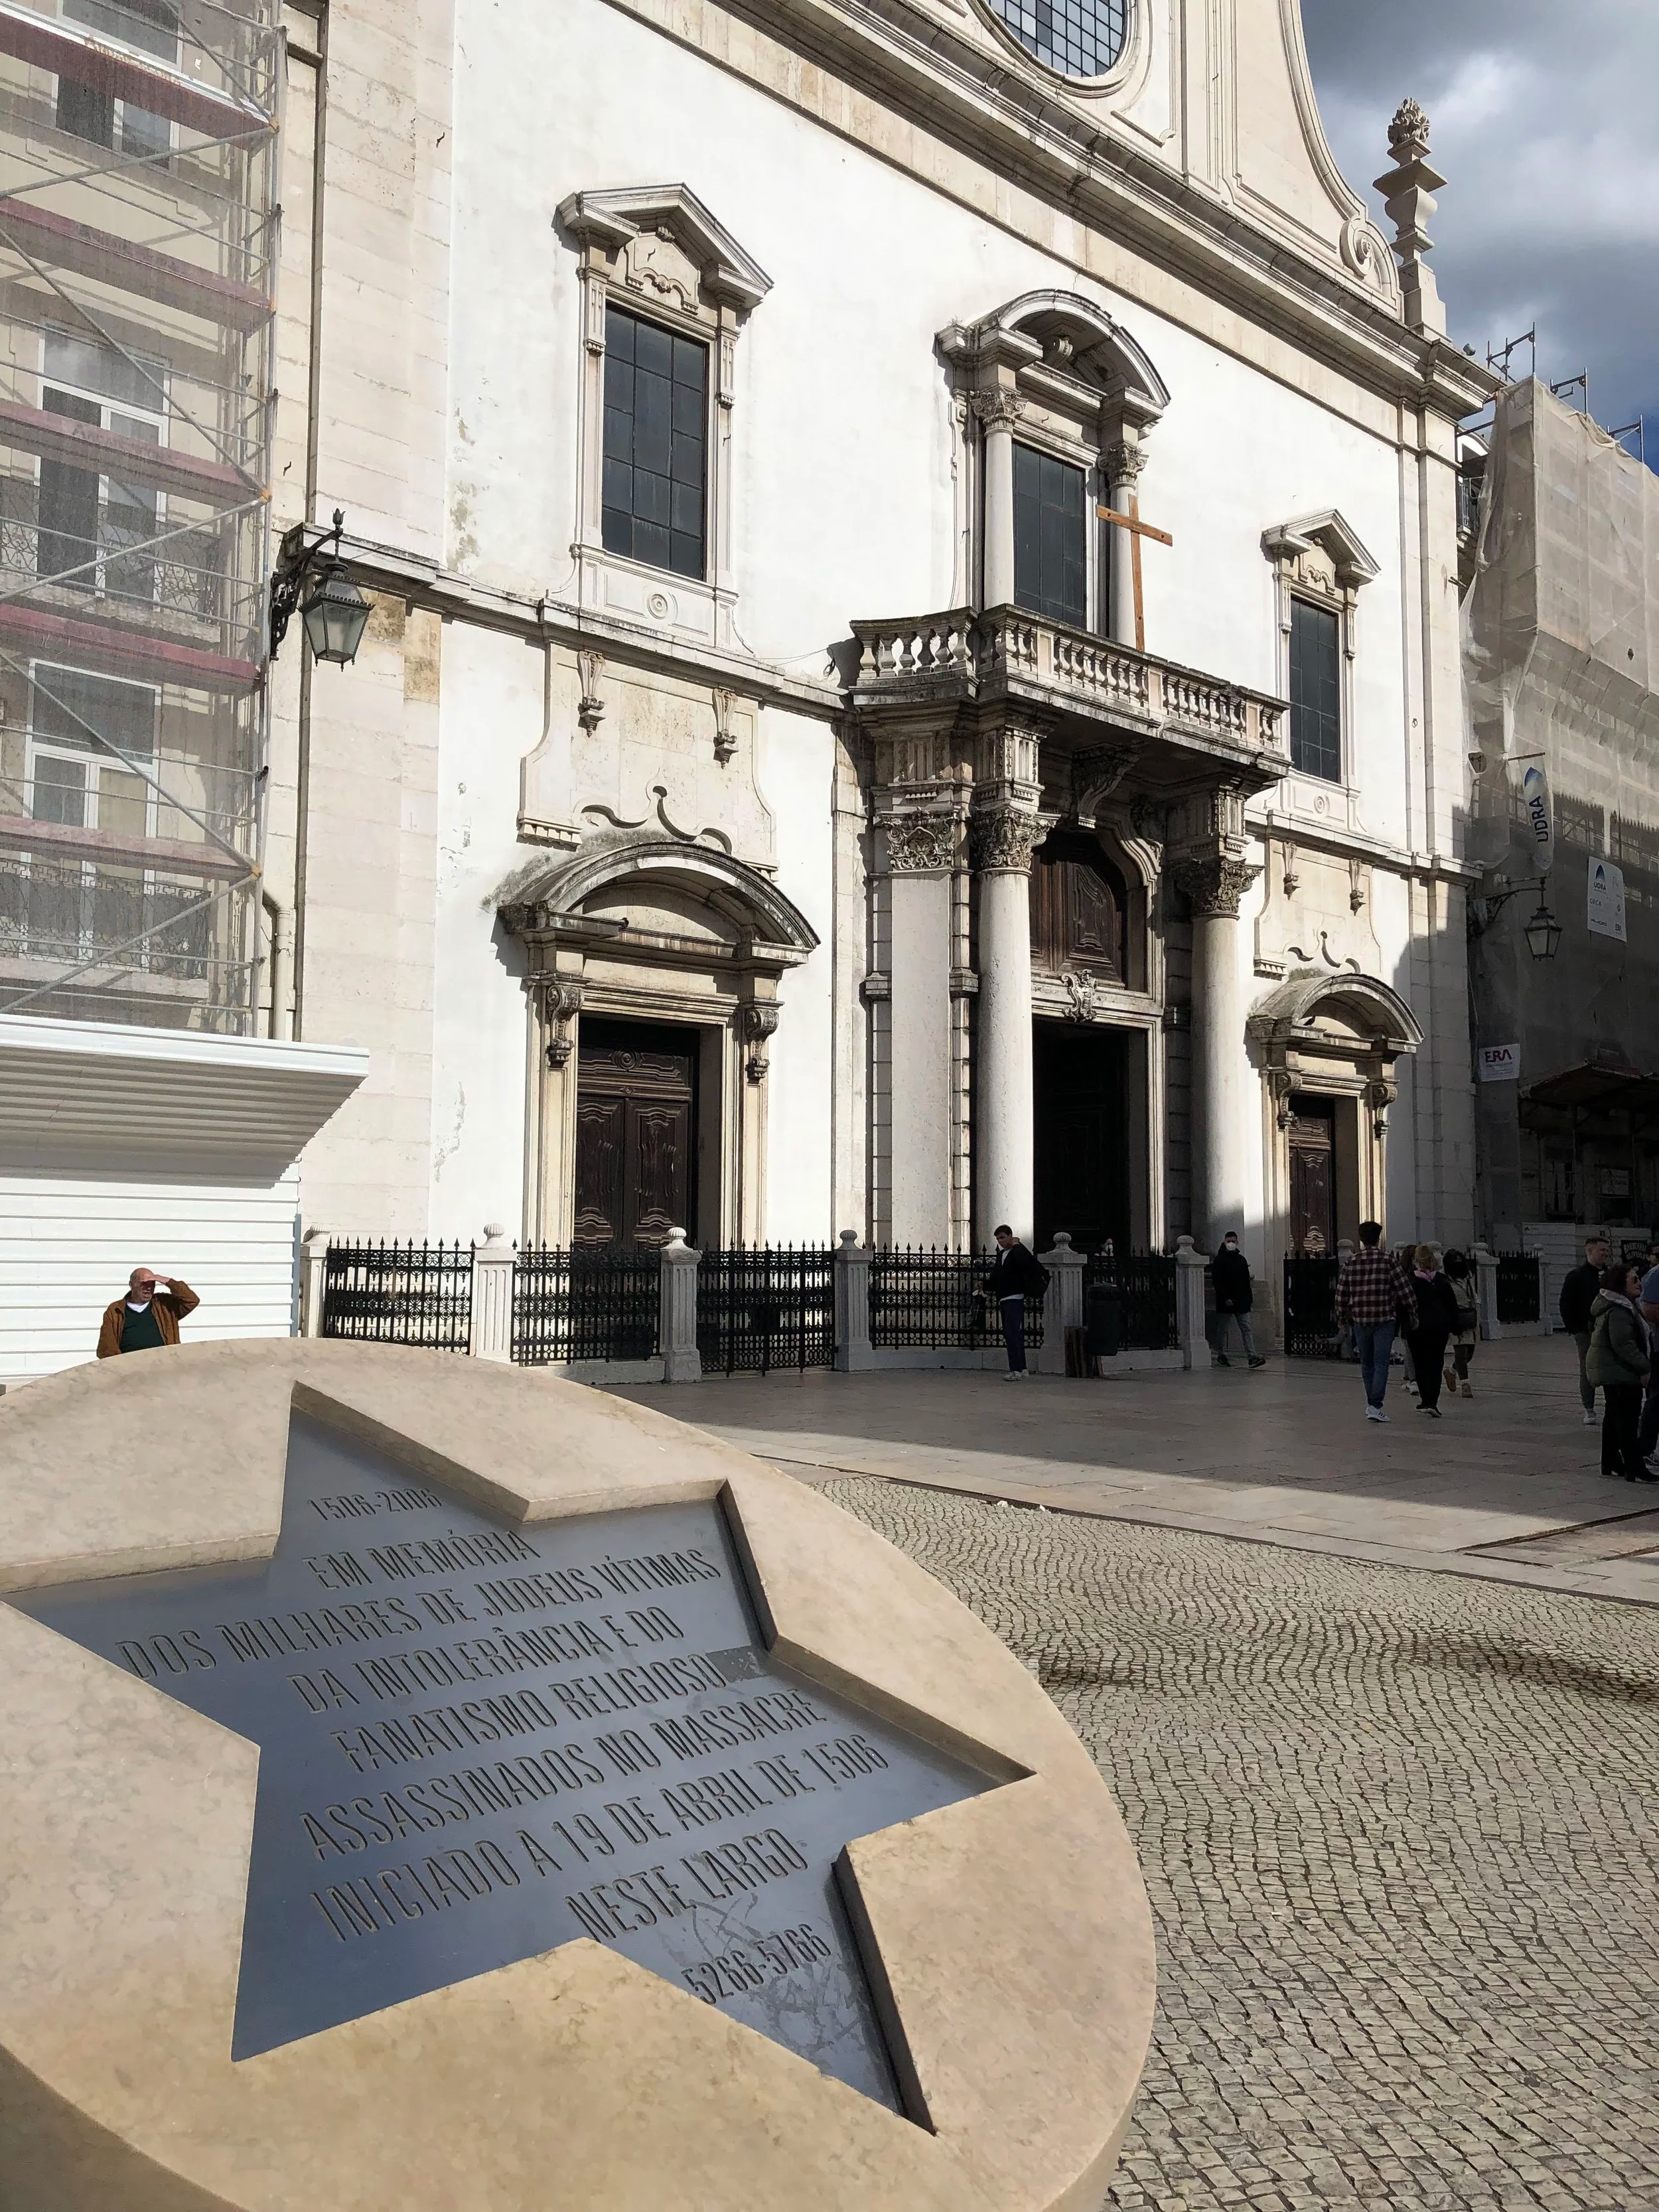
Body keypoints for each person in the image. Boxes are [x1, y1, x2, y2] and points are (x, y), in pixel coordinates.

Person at [1334, 1221, 1419, 1423]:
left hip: (1361, 1320)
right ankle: (1375, 1405)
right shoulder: (1388, 1260)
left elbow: (1341, 1294)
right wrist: (1413, 1311)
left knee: (1367, 1363)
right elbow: (1404, 1289)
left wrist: (1341, 1319)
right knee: (1381, 1363)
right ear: (1378, 1238)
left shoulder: (1351, 1262)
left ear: (1361, 1239)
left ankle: (1372, 1403)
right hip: (1384, 1319)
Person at [1585, 1260, 1654, 1482]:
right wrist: (1644, 1366)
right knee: (1628, 1419)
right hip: (1620, 1371)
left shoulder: (1615, 1304)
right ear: (1620, 1284)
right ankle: (1634, 1467)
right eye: (1634, 1279)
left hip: (1611, 1369)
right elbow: (1623, 1344)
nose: (1639, 1283)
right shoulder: (1619, 1309)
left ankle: (1611, 1461)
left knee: (1615, 1415)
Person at [1559, 1233, 1610, 1426]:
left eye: (1607, 1250)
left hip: (1608, 1329)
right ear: (1590, 1251)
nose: (1605, 1254)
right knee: (1588, 1369)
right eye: (1602, 1250)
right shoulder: (1576, 1277)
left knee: (1611, 1368)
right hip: (1585, 1331)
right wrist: (1576, 1329)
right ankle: (1589, 1408)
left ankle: (1613, 1405)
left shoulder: (1611, 1275)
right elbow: (1566, 1304)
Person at [985, 1226, 1048, 1381]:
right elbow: (996, 1278)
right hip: (1004, 1298)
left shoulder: (1017, 1251)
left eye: (1003, 1237)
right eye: (998, 1239)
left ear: (1010, 1236)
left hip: (1015, 1297)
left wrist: (1017, 1245)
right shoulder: (1001, 1256)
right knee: (1014, 1335)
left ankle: (1016, 1369)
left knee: (1011, 1333)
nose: (1000, 1242)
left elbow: (1025, 1262)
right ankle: (1022, 1367)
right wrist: (984, 1286)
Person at [1404, 1245, 1459, 1417]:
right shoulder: (1441, 1280)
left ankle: (1426, 1399)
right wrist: (1454, 1326)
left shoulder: (1411, 1280)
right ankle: (1433, 1402)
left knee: (1420, 1363)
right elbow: (1452, 1305)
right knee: (1436, 1363)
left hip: (1417, 1328)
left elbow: (1404, 1304)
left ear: (1416, 1260)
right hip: (1439, 1327)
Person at [96, 1268, 199, 1359]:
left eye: (152, 1284)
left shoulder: (164, 1305)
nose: (149, 1288)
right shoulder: (115, 1310)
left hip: (164, 1366)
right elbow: (106, 1348)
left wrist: (167, 1281)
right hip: (132, 1371)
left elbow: (192, 1300)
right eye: (144, 1284)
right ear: (131, 1285)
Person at [1210, 1232, 1266, 1368]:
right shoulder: (1219, 1260)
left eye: (1233, 1241)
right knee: (1222, 1330)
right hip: (1226, 1301)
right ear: (1224, 1241)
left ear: (1237, 1242)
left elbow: (1246, 1281)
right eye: (1229, 1241)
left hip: (1242, 1300)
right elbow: (1217, 1281)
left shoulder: (1241, 1260)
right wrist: (1225, 1297)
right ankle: (1221, 1354)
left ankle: (1252, 1356)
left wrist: (1249, 1298)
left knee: (1246, 1328)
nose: (1231, 1243)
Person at [1443, 1249, 1479, 1397]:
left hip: (1469, 1318)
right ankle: (1465, 1384)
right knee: (1461, 1353)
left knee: (1470, 1353)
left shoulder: (1468, 1279)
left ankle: (1451, 1371)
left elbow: (1474, 1296)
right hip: (1455, 1319)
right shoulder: (1447, 1282)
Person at [1639, 1250, 1659, 1464]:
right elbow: (1649, 1310)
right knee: (1656, 1399)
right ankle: (1645, 1447)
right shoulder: (1656, 1276)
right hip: (1658, 1349)